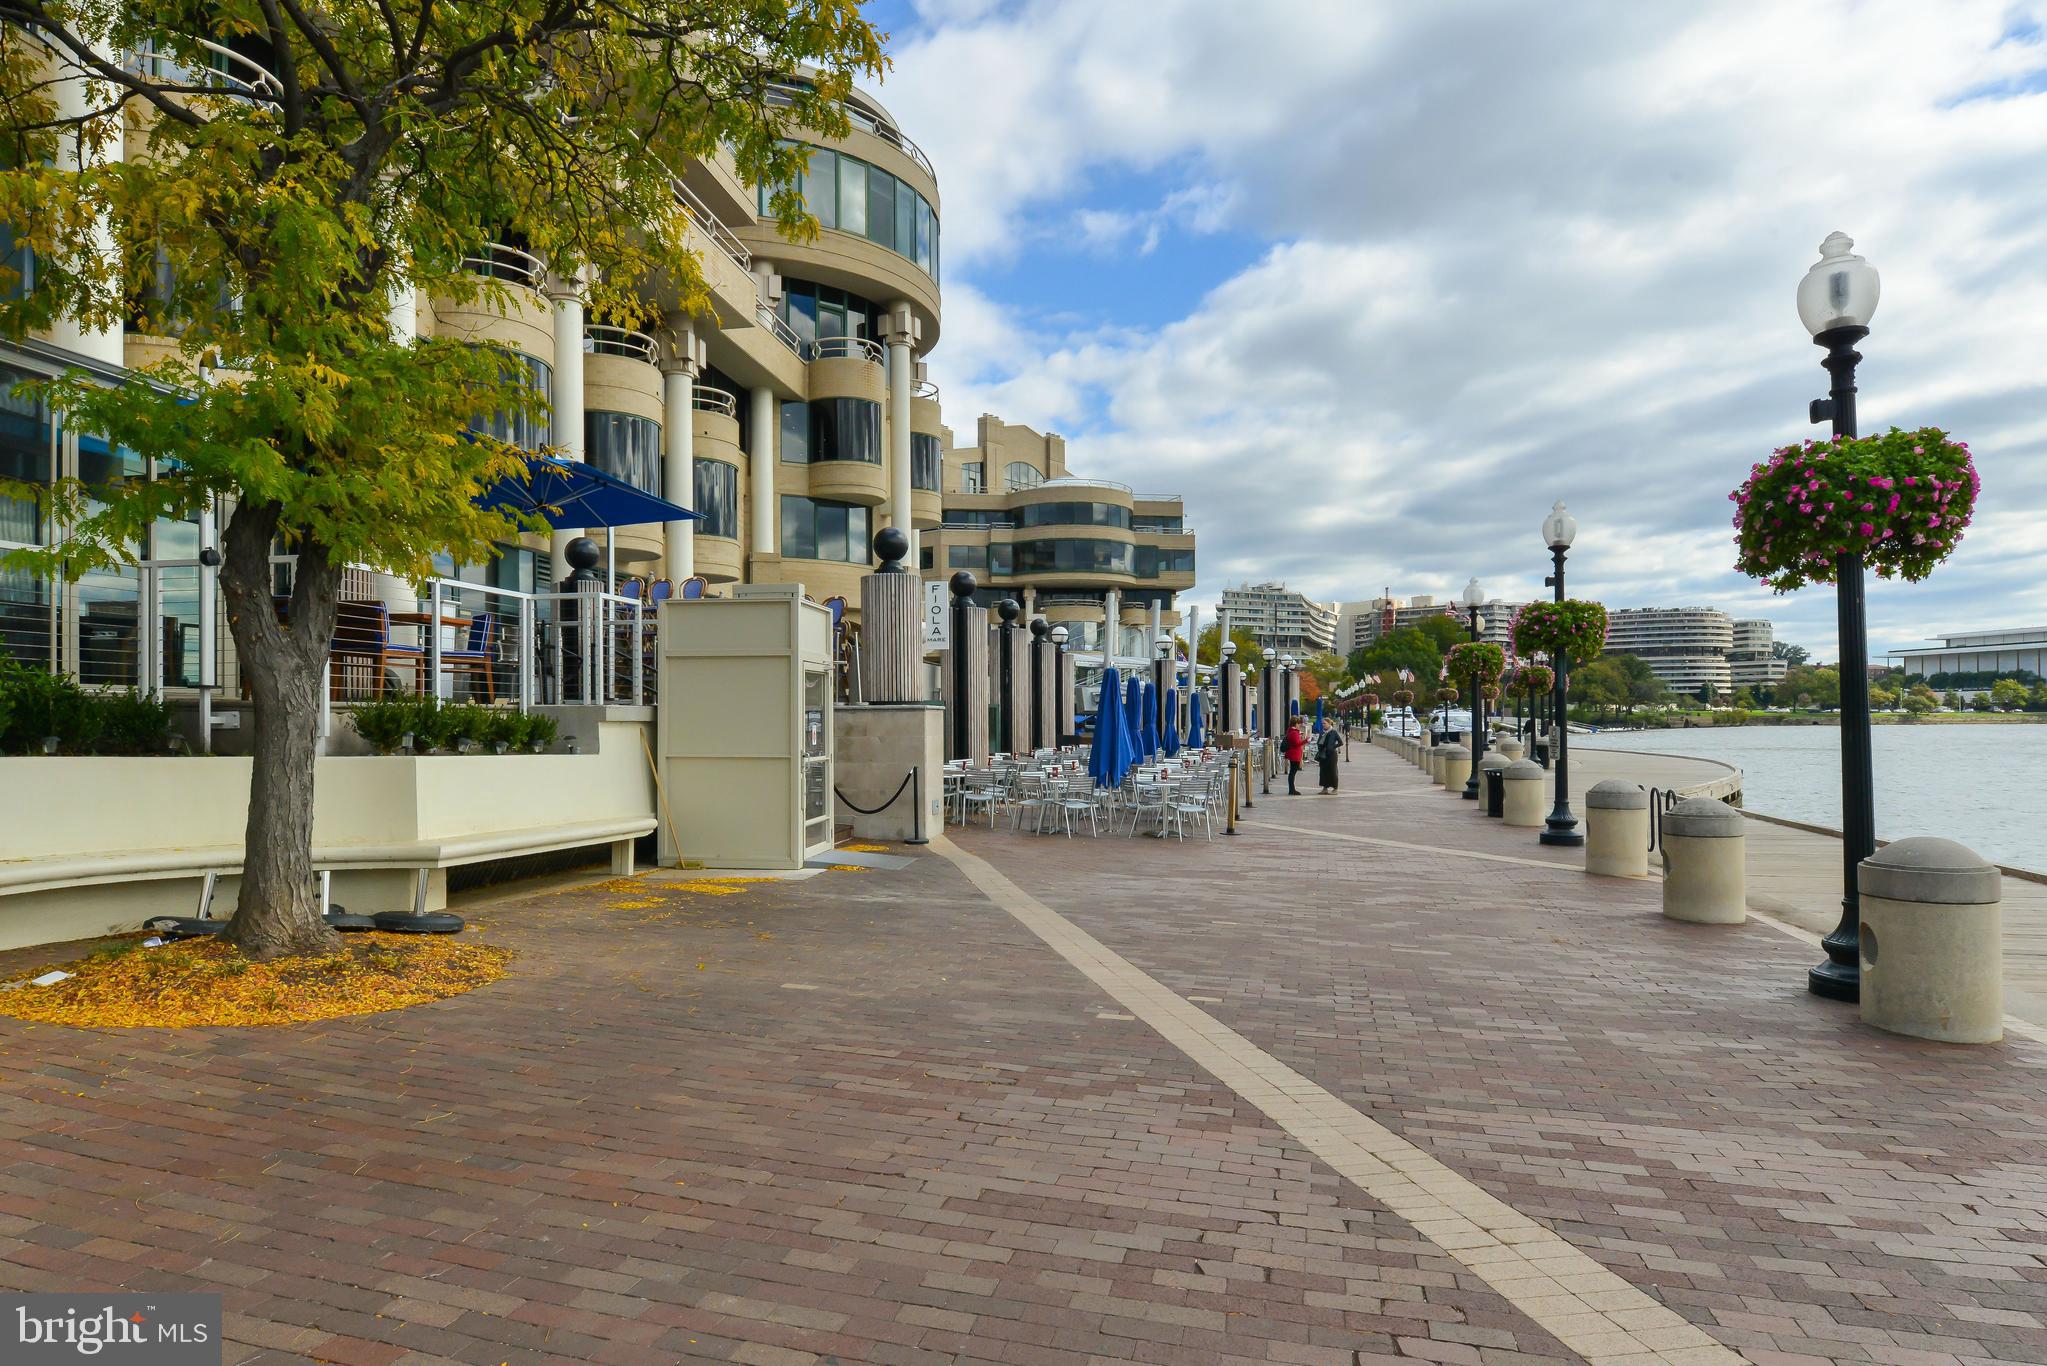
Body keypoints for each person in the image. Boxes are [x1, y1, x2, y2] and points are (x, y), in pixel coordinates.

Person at [1316, 721, 1342, 793]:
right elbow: (1319, 742)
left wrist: (1332, 747)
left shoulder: (1333, 732)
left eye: (1325, 723)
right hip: (1323, 754)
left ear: (1329, 724)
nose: (1323, 725)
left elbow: (1341, 742)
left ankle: (1335, 788)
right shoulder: (1322, 733)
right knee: (1323, 771)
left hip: (1331, 755)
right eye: (1322, 724)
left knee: (1332, 771)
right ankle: (1325, 788)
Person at [1282, 718, 1306, 795]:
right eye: (1299, 724)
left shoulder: (1291, 731)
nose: (1300, 725)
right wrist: (1306, 741)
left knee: (1292, 772)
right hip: (1294, 754)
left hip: (1293, 754)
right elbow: (1297, 744)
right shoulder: (1294, 733)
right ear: (1295, 724)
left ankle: (1292, 789)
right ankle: (1292, 789)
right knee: (1293, 772)